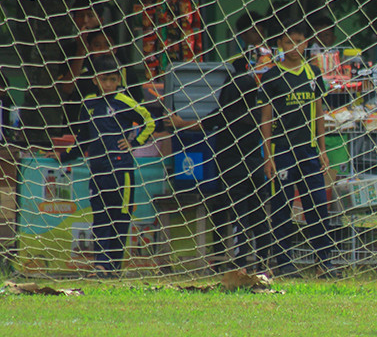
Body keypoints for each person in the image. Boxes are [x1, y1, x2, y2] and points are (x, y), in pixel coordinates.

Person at [171, 47, 272, 273]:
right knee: (258, 215)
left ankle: (240, 262)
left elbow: (200, 125)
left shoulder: (225, 113)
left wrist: (179, 123)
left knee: (238, 215)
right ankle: (264, 261)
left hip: (232, 170)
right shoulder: (256, 113)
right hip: (255, 168)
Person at [259, 21, 339, 279]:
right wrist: (268, 156)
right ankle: (284, 263)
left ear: (306, 44)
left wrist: (322, 149)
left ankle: (324, 262)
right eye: (288, 42)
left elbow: (319, 112)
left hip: (309, 151)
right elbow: (266, 118)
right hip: (281, 151)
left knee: (317, 205)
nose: (293, 47)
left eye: (298, 42)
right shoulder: (271, 77)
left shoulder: (313, 73)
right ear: (279, 44)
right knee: (282, 208)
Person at [66, 54, 155, 277]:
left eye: (113, 80)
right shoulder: (89, 103)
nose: (108, 84)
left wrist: (134, 142)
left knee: (120, 218)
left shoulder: (124, 101)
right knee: (100, 217)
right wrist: (64, 154)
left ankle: (114, 266)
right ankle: (101, 265)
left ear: (119, 81)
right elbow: (83, 137)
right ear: (95, 80)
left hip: (121, 171)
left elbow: (150, 122)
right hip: (98, 170)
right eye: (104, 79)